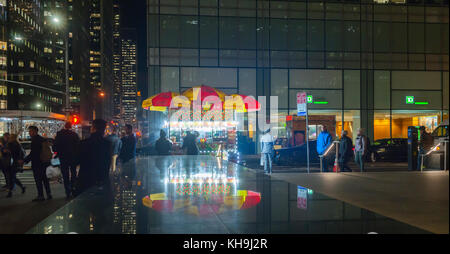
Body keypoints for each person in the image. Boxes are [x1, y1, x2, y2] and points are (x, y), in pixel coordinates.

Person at [76, 119, 111, 194]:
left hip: (86, 179)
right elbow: (107, 163)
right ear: (104, 129)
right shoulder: (107, 144)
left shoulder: (83, 143)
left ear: (93, 128)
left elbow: (77, 161)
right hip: (102, 179)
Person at [24, 126, 52, 202]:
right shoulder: (42, 139)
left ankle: (41, 195)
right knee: (45, 179)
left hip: (38, 163)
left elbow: (34, 153)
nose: (29, 133)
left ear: (34, 131)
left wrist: (25, 160)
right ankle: (49, 194)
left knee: (38, 180)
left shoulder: (35, 140)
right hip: (44, 162)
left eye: (30, 131)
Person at [54, 122, 80, 199]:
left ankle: (67, 192)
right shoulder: (74, 135)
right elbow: (78, 146)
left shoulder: (59, 134)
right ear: (71, 126)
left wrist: (57, 153)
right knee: (73, 173)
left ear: (65, 126)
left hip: (63, 157)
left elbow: (55, 146)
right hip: (73, 157)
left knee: (65, 175)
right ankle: (73, 188)